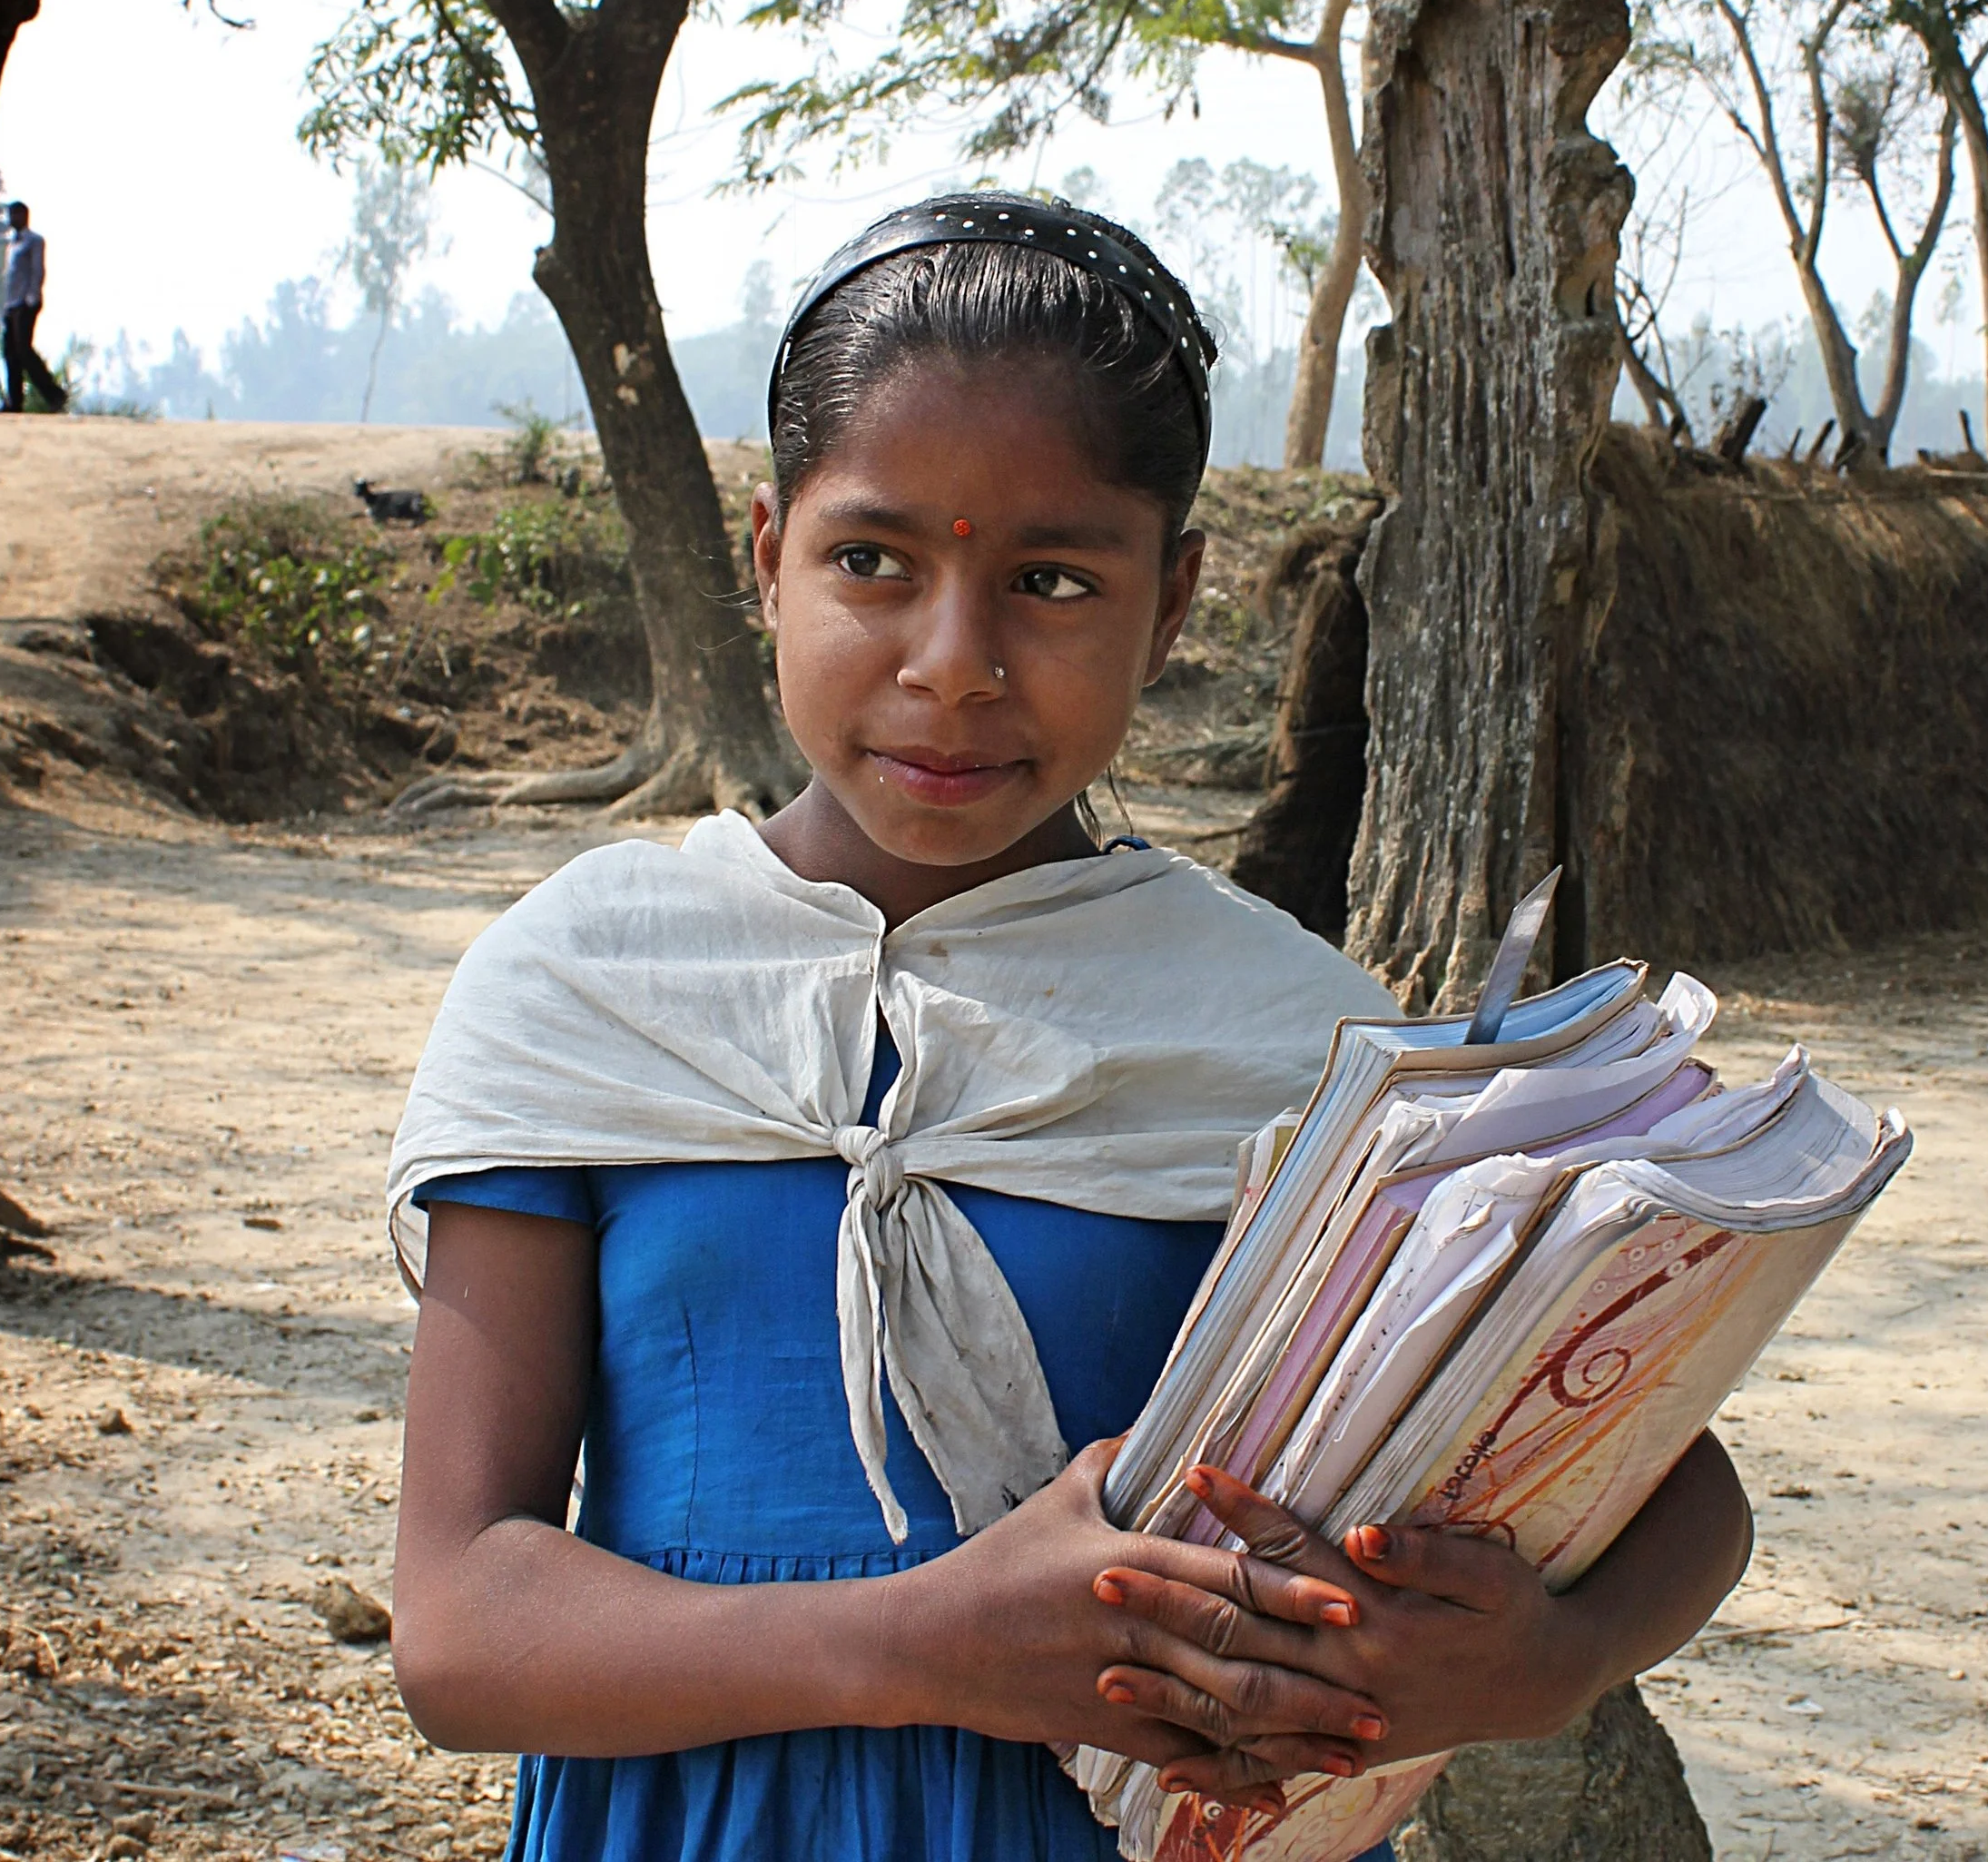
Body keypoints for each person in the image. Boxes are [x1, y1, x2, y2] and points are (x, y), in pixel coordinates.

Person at [383, 192, 1756, 1862]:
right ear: (768, 559)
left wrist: (1551, 1656)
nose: (952, 665)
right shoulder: (588, 986)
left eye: (1051, 579)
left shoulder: (1295, 1040)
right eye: (871, 560)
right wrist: (926, 1642)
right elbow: (459, 1624)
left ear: (1169, 604)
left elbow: (1677, 1486)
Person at [0, 201, 66, 415]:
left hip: (25, 303)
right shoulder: (12, 244)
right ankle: (14, 401)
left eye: (16, 215)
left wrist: (32, 298)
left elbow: (37, 270)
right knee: (10, 353)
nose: (13, 219)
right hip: (11, 304)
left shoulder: (34, 241)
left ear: (25, 216)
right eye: (11, 215)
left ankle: (54, 394)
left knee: (24, 350)